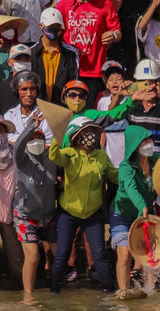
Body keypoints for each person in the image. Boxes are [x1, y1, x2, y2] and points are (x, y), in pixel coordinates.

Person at [48, 116, 118, 292]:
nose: (91, 136)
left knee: (100, 255)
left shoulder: (101, 156)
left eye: (93, 132)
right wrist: (57, 135)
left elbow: (114, 175)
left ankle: (108, 293)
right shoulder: (69, 154)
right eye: (86, 132)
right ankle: (54, 292)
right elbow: (54, 156)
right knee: (61, 255)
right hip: (68, 213)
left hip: (93, 214)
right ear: (75, 136)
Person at [11, 110, 57, 295]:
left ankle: (57, 291)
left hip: (48, 215)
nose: (36, 142)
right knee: (33, 256)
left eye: (40, 139)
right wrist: (32, 127)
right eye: (33, 139)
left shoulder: (51, 158)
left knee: (59, 253)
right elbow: (18, 145)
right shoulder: (21, 160)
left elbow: (62, 142)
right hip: (25, 215)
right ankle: (28, 297)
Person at [109, 125, 157, 294]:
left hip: (145, 216)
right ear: (135, 145)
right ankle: (124, 292)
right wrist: (142, 205)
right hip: (122, 215)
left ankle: (150, 292)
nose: (149, 143)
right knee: (124, 254)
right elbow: (131, 188)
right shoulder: (126, 166)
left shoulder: (156, 161)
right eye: (144, 141)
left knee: (148, 255)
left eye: (150, 139)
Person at [55, 0, 121, 99]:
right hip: (68, 69)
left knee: (91, 111)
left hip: (94, 70)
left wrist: (113, 35)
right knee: (68, 109)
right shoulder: (63, 4)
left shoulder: (106, 4)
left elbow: (118, 32)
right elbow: (54, 32)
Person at [0, 114, 22, 285]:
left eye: (1, 129)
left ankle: (24, 294)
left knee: (17, 259)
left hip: (12, 211)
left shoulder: (15, 152)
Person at [30, 7, 79, 104]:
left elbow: (73, 85)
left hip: (61, 109)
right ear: (41, 26)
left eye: (57, 26)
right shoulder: (31, 53)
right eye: (50, 26)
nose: (54, 30)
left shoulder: (71, 54)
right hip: (36, 109)